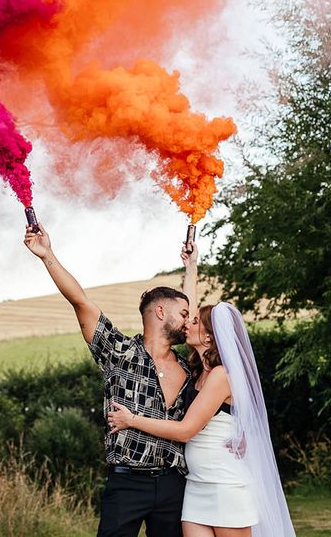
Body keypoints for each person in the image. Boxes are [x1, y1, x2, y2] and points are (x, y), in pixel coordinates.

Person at [24, 222, 198, 537]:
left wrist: (192, 268)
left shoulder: (188, 367)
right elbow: (81, 302)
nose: (190, 321)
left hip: (175, 483)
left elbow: (193, 318)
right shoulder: (119, 352)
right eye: (184, 314)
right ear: (160, 313)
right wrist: (46, 254)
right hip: (127, 483)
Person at [107, 272, 296, 536]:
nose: (186, 323)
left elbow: (186, 430)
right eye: (187, 317)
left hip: (224, 484)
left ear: (208, 337)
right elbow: (185, 314)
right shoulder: (194, 372)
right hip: (195, 486)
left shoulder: (221, 375)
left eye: (193, 321)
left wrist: (132, 420)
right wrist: (191, 266)